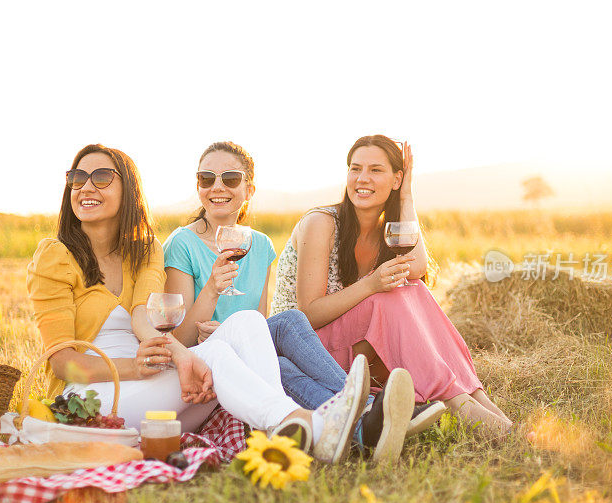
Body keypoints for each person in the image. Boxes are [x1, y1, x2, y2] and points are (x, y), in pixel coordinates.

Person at [26, 143, 368, 464]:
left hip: (152, 387)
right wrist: (139, 366)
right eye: (77, 178)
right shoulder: (56, 256)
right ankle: (312, 426)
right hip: (88, 401)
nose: (86, 187)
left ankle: (284, 430)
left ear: (127, 190)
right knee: (218, 355)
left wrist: (177, 355)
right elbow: (62, 363)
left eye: (101, 177)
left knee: (248, 321)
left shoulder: (144, 250)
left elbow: (142, 315)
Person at [162, 141, 442, 462]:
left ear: (249, 189)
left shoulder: (261, 245)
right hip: (204, 358)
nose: (217, 187)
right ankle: (366, 415)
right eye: (206, 179)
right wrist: (212, 290)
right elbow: (178, 338)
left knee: (289, 326)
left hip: (244, 350)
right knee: (281, 367)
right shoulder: (182, 243)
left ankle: (360, 417)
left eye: (230, 178)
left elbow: (256, 325)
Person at [270, 135, 513, 435]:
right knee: (388, 296)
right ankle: (459, 405)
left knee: (413, 289)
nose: (362, 178)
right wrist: (371, 284)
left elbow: (418, 268)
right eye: (355, 168)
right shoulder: (322, 223)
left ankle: (480, 402)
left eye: (375, 170)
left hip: (351, 344)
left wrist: (407, 196)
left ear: (396, 179)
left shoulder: (386, 230)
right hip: (303, 351)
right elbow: (308, 314)